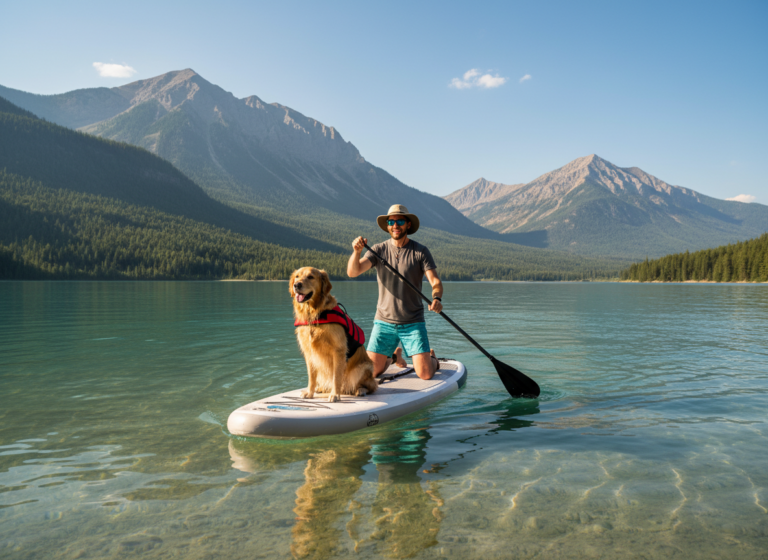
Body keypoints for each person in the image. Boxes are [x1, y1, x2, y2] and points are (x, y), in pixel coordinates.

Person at [347, 204, 443, 380]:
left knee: (425, 374)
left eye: (400, 221)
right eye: (391, 222)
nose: (395, 225)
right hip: (384, 322)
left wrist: (436, 298)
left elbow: (435, 282)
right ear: (387, 226)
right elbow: (353, 272)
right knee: (369, 373)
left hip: (413, 322)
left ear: (408, 224)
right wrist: (356, 252)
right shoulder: (378, 250)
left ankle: (433, 359)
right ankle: (393, 357)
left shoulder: (420, 251)